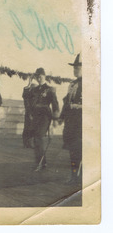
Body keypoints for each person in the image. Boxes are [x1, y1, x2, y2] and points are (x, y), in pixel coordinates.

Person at [29, 68, 59, 170]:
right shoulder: (35, 90)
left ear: (44, 77)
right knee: (35, 139)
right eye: (37, 76)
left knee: (39, 137)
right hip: (36, 116)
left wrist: (55, 120)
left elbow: (55, 104)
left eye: (40, 76)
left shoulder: (49, 89)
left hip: (45, 116)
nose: (39, 78)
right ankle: (42, 162)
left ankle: (40, 163)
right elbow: (30, 102)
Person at [59, 53, 82, 185]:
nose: (75, 70)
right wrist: (61, 117)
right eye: (74, 68)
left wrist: (76, 106)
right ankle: (74, 176)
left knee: (79, 149)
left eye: (78, 68)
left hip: (81, 122)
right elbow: (66, 102)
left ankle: (79, 177)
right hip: (70, 122)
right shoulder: (72, 84)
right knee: (73, 150)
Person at [22, 75, 37, 148]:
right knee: (27, 127)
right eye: (33, 87)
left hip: (35, 113)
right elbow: (25, 95)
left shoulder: (36, 95)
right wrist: (29, 113)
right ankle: (26, 142)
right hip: (29, 112)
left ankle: (29, 142)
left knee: (32, 128)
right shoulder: (28, 95)